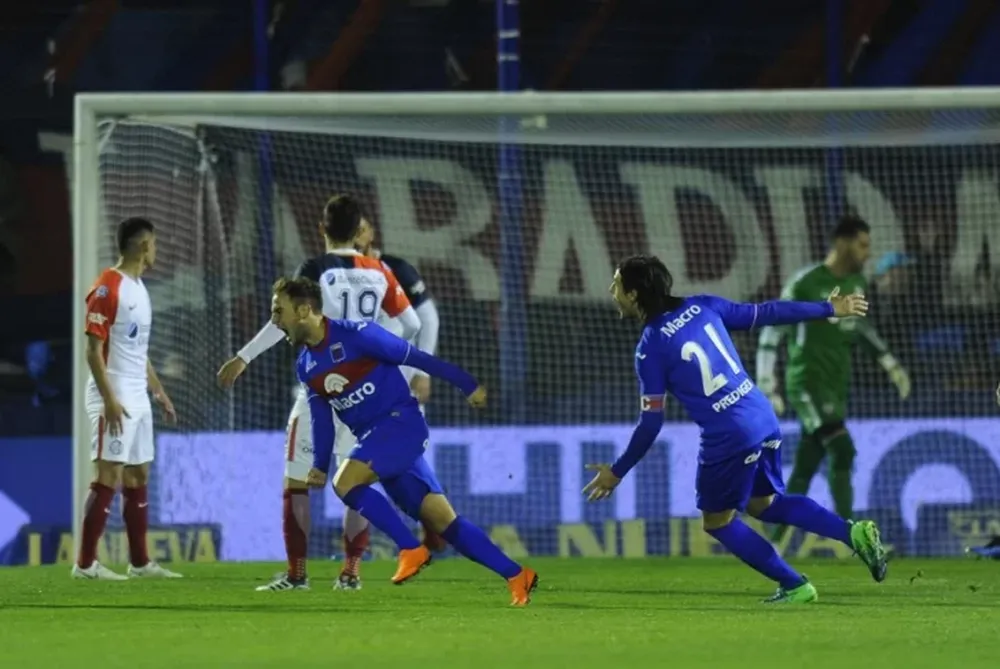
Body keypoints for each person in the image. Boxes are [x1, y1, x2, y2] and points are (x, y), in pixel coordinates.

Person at [583, 255, 887, 603]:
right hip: (763, 416)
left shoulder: (650, 347)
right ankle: (854, 534)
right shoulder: (704, 306)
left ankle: (795, 585)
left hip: (730, 435)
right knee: (764, 504)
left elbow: (651, 422)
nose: (611, 291)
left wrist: (617, 471)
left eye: (616, 284)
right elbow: (767, 312)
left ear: (634, 294)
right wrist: (827, 308)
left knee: (717, 521)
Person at [270, 276, 538, 606]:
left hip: (401, 424)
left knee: (347, 483)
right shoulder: (306, 365)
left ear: (304, 310)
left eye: (278, 311)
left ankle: (410, 548)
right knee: (444, 523)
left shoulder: (358, 335)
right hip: (379, 439)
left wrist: (467, 384)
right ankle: (517, 575)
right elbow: (323, 419)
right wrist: (319, 465)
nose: (274, 320)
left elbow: (418, 358)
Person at [217, 194, 422, 592]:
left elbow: (286, 319)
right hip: (364, 397)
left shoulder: (315, 269)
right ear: (360, 229)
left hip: (320, 390)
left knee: (297, 482)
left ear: (322, 228)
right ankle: (350, 573)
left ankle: (297, 576)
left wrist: (243, 357)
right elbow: (411, 324)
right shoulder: (379, 271)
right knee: (357, 482)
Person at [755, 215, 910, 541]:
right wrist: (767, 383)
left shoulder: (857, 285)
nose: (868, 253)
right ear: (842, 242)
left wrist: (890, 364)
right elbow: (773, 327)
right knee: (842, 449)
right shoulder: (805, 282)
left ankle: (774, 536)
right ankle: (853, 535)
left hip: (836, 386)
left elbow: (861, 329)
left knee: (807, 464)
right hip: (807, 383)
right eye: (863, 244)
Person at [332, 219, 446, 587]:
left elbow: (425, 318)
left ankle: (430, 538)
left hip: (393, 388)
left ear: (368, 235)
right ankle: (358, 565)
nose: (357, 234)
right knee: (360, 477)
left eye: (362, 228)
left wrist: (419, 370)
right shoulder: (333, 272)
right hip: (354, 393)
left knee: (402, 471)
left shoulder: (391, 268)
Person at [74, 217, 180, 580]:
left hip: (137, 391)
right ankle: (85, 564)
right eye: (154, 244)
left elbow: (138, 350)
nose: (157, 250)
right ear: (142, 246)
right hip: (113, 391)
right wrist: (109, 400)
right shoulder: (108, 287)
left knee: (137, 475)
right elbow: (92, 351)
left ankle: (139, 563)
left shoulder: (139, 287)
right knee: (108, 472)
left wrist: (158, 390)